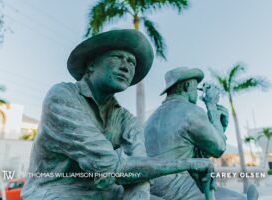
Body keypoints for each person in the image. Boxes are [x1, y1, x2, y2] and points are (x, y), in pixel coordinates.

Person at [21, 30, 216, 200]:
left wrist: (138, 193)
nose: (126, 66)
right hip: (54, 192)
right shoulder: (62, 97)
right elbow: (110, 166)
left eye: (131, 62)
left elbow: (141, 168)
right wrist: (189, 164)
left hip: (106, 194)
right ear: (91, 65)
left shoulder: (126, 119)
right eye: (117, 57)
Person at [144, 67, 258, 200]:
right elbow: (218, 149)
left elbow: (197, 153)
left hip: (152, 186)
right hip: (177, 187)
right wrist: (211, 107)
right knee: (242, 199)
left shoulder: (150, 119)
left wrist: (220, 125)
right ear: (187, 86)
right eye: (195, 88)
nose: (198, 94)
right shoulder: (190, 111)